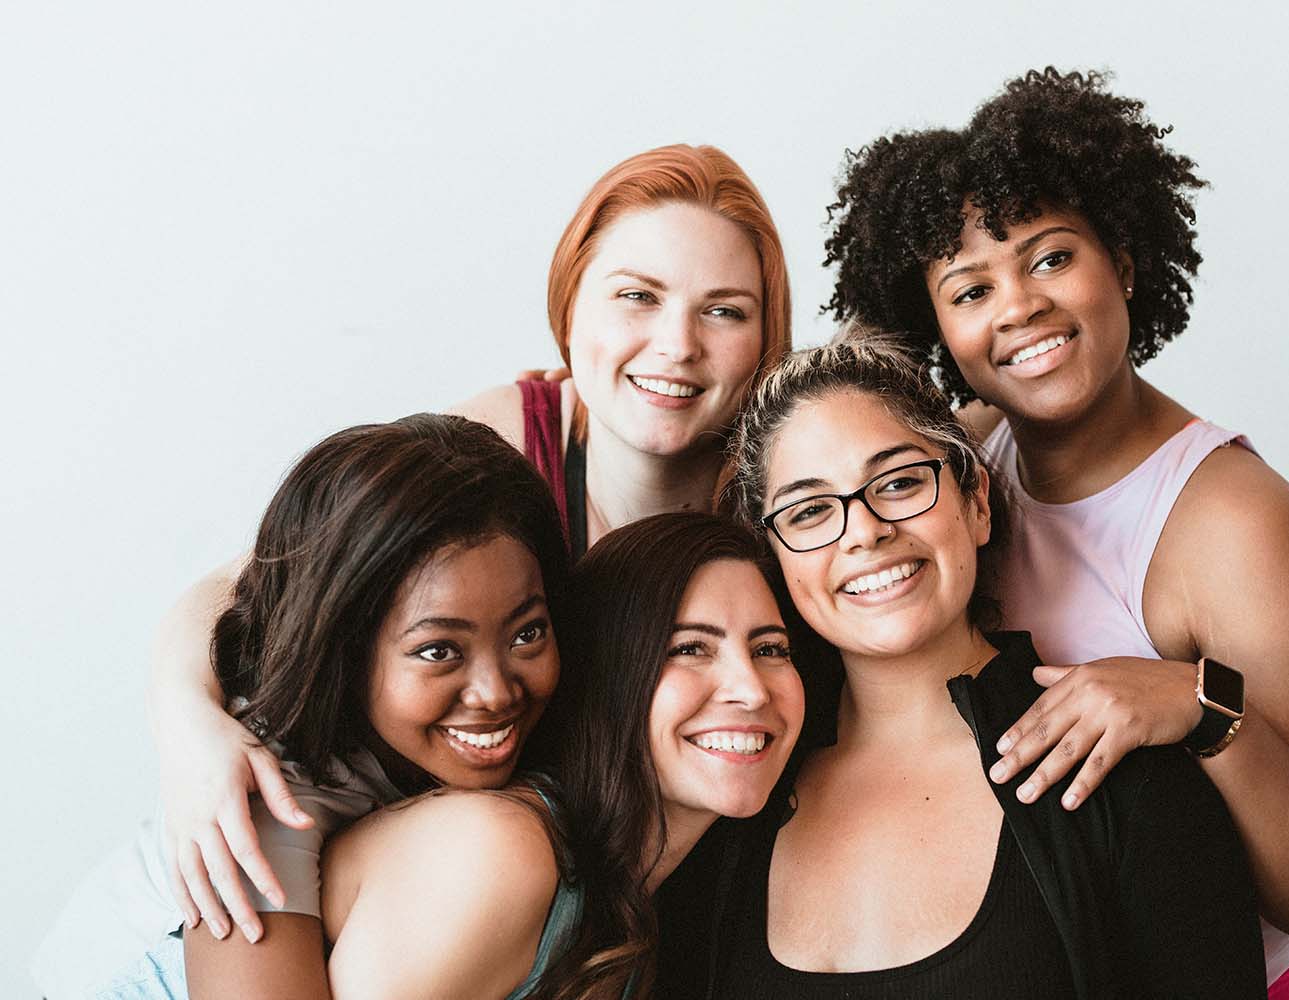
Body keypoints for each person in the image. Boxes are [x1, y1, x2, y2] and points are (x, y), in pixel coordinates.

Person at [823, 68, 1289, 998]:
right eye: (969, 289)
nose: (1019, 305)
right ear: (937, 329)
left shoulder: (1234, 524)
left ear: (1125, 261)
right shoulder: (967, 464)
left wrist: (1198, 705)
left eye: (1052, 258)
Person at [146, 142, 793, 941]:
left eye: (723, 310)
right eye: (637, 296)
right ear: (570, 305)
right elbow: (252, 588)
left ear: (769, 337)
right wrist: (186, 727)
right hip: (390, 885)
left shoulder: (787, 488)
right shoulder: (504, 446)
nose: (677, 344)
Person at [656, 340, 1266, 998]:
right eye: (809, 512)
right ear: (776, 558)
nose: (863, 532)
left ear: (976, 500)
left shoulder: (1124, 776)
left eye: (898, 483)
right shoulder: (728, 793)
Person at [34, 413, 570, 999]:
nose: (495, 691)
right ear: (344, 651)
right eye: (439, 650)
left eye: (526, 634)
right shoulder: (267, 791)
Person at [318, 512, 804, 999]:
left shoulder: (636, 909)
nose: (751, 690)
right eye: (690, 648)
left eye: (770, 649)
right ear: (610, 669)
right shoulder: (498, 851)